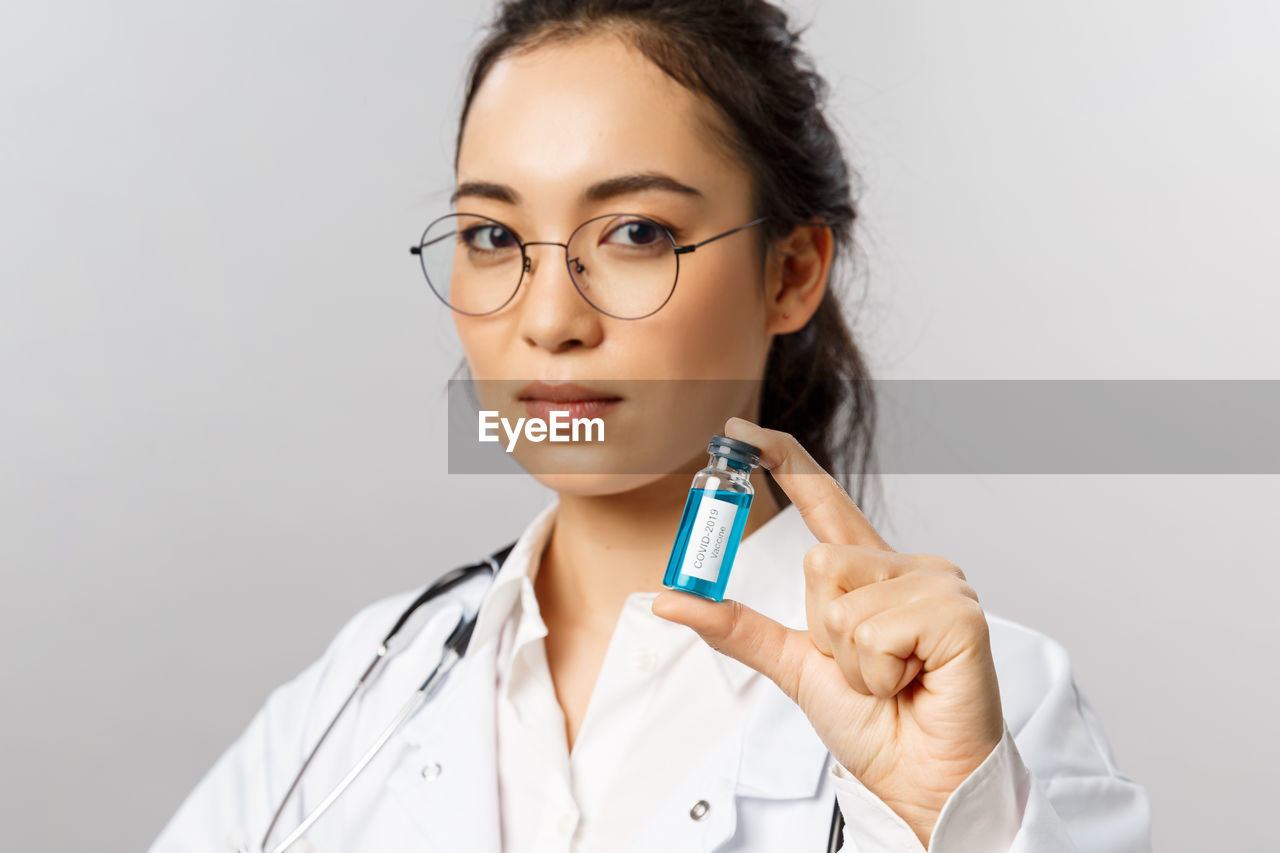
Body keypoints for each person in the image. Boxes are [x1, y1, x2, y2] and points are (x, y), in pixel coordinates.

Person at [150, 1, 1151, 850]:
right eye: (494, 236)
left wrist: (947, 817)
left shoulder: (983, 708)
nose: (547, 320)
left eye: (636, 234)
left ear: (790, 272)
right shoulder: (377, 676)